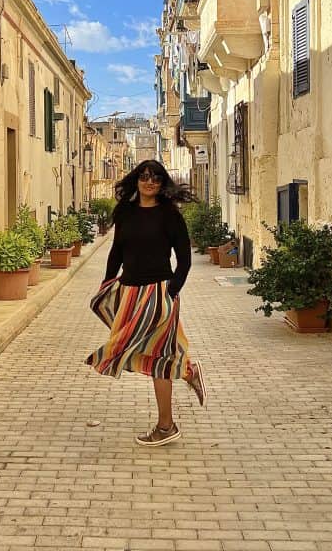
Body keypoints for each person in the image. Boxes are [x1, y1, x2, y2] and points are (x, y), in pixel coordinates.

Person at [85, 159, 206, 447]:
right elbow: (116, 251)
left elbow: (185, 259)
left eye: (156, 178)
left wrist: (171, 292)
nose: (149, 182)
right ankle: (187, 370)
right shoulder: (125, 212)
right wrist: (107, 283)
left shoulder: (169, 215)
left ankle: (166, 426)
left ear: (162, 184)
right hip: (129, 291)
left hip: (159, 292)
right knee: (142, 348)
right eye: (144, 177)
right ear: (136, 180)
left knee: (156, 358)